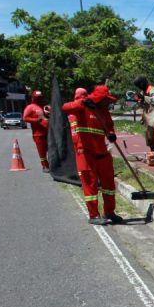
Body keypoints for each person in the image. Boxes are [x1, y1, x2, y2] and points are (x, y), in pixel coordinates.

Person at [62, 85, 124, 225]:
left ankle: (109, 212)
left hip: (102, 153)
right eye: (106, 100)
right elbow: (65, 107)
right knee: (90, 184)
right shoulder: (82, 108)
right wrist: (82, 102)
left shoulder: (103, 111)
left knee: (109, 184)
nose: (108, 103)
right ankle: (94, 215)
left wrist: (111, 134)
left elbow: (109, 126)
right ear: (99, 98)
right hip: (86, 153)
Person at [133, 76, 154, 162]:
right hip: (147, 114)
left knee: (152, 135)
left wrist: (145, 98)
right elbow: (145, 105)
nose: (139, 87)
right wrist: (140, 101)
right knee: (148, 135)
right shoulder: (143, 91)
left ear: (143, 83)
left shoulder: (152, 89)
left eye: (139, 85)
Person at [22, 90, 51, 172]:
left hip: (48, 133)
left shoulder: (44, 106)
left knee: (51, 149)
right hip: (38, 134)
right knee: (42, 151)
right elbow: (25, 118)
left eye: (41, 97)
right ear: (33, 98)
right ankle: (45, 166)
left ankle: (53, 165)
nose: (39, 99)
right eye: (37, 98)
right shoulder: (30, 107)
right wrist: (36, 120)